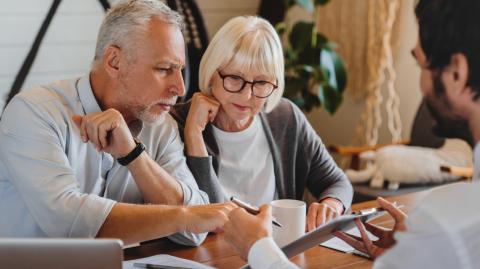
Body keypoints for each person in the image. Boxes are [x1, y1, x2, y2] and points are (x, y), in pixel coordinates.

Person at [223, 0, 480, 268]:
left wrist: (258, 248)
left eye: (421, 65)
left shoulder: (447, 224)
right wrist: (413, 254)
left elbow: (336, 181)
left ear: (457, 73)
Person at [0, 0, 233, 246]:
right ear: (114, 61)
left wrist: (134, 155)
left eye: (180, 70)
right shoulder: (33, 112)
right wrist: (184, 217)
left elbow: (195, 233)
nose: (180, 87)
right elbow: (69, 224)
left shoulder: (162, 126)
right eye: (165, 69)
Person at [170, 16, 353, 232]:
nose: (247, 95)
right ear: (212, 74)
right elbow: (205, 216)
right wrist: (193, 136)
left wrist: (332, 205)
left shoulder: (284, 117)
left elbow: (337, 183)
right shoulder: (178, 122)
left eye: (262, 82)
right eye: (235, 78)